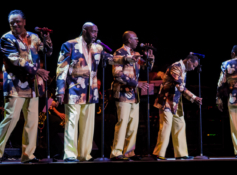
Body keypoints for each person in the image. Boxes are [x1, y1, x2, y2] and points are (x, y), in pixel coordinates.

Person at [56, 23, 141, 162]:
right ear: (84, 31)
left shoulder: (98, 47)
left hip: (91, 92)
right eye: (93, 32)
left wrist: (126, 59)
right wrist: (60, 90)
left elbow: (110, 59)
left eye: (97, 32)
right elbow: (61, 68)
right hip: (74, 90)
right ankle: (70, 154)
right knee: (72, 122)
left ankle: (84, 154)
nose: (95, 34)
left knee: (88, 125)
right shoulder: (69, 44)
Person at [0, 10, 52, 163]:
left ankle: (28, 155)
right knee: (11, 117)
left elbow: (46, 53)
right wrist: (37, 70)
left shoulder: (34, 37)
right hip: (15, 83)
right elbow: (15, 60)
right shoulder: (6, 38)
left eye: (18, 21)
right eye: (12, 22)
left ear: (24, 21)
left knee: (32, 120)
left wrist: (48, 41)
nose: (15, 25)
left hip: (33, 85)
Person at [110, 31, 154, 161]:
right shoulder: (119, 53)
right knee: (122, 122)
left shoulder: (136, 54)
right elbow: (117, 74)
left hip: (134, 95)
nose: (137, 41)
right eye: (136, 38)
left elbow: (147, 68)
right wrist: (136, 83)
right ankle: (116, 152)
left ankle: (129, 152)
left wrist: (149, 58)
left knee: (133, 124)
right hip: (123, 92)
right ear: (129, 40)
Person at [153, 54, 202, 160]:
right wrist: (194, 97)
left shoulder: (183, 70)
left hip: (175, 102)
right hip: (166, 100)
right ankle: (158, 153)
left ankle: (181, 154)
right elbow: (179, 86)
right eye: (193, 66)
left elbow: (182, 89)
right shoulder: (175, 67)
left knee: (180, 125)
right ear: (189, 61)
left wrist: (193, 99)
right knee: (166, 125)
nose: (193, 69)